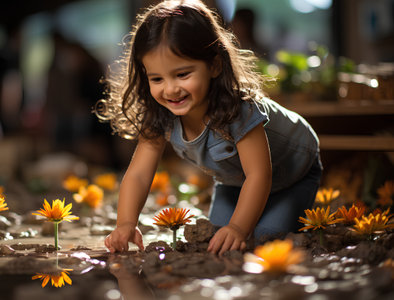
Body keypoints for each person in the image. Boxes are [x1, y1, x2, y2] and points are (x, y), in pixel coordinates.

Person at [97, 0, 322, 256]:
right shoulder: (161, 114)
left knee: (262, 240)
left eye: (182, 74)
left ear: (214, 65)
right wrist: (126, 223)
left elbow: (260, 175)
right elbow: (138, 174)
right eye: (157, 78)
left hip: (294, 172)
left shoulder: (237, 109)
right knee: (215, 241)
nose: (171, 89)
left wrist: (238, 227)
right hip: (234, 181)